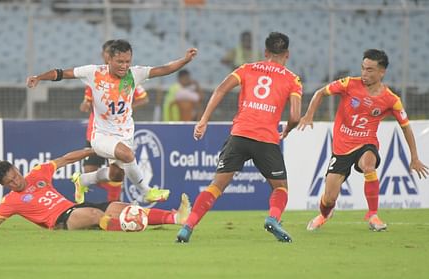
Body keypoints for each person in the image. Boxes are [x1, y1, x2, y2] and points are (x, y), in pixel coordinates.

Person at [26, 40, 197, 204]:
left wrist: (185, 60)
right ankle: (147, 192)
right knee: (128, 155)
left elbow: (164, 69)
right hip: (101, 135)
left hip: (125, 134)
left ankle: (83, 180)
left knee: (116, 175)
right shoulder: (93, 72)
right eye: (119, 61)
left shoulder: (134, 74)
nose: (124, 66)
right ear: (109, 59)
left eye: (127, 61)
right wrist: (39, 77)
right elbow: (62, 73)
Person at [176, 32, 302, 243]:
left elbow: (221, 89)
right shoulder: (292, 79)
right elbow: (295, 116)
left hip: (240, 135)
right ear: (287, 54)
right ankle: (273, 218)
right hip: (266, 139)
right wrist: (288, 128)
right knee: (280, 188)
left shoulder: (247, 68)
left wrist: (204, 120)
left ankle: (187, 226)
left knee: (216, 186)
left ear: (265, 52)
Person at [298, 49, 429, 232]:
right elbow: (320, 93)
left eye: (369, 70)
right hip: (342, 147)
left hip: (366, 143)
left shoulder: (391, 100)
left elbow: (406, 126)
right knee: (329, 198)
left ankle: (373, 215)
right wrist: (308, 115)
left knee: (369, 164)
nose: (364, 73)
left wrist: (414, 157)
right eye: (363, 68)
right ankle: (324, 215)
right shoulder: (349, 84)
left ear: (381, 72)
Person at [0, 148, 191, 231]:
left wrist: (91, 151)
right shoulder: (10, 202)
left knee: (122, 207)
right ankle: (128, 229)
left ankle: (176, 217)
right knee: (96, 215)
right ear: (4, 186)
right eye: (11, 182)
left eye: (15, 175)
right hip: (60, 221)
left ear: (17, 169)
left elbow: (66, 159)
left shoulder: (38, 172)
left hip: (73, 208)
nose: (16, 181)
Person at [77, 40, 149, 203]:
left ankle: (113, 202)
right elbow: (88, 100)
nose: (104, 56)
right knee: (90, 169)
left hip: (118, 131)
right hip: (96, 132)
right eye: (104, 53)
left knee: (117, 172)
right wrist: (86, 103)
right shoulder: (95, 77)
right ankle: (94, 186)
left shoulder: (128, 77)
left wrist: (124, 107)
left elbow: (143, 98)